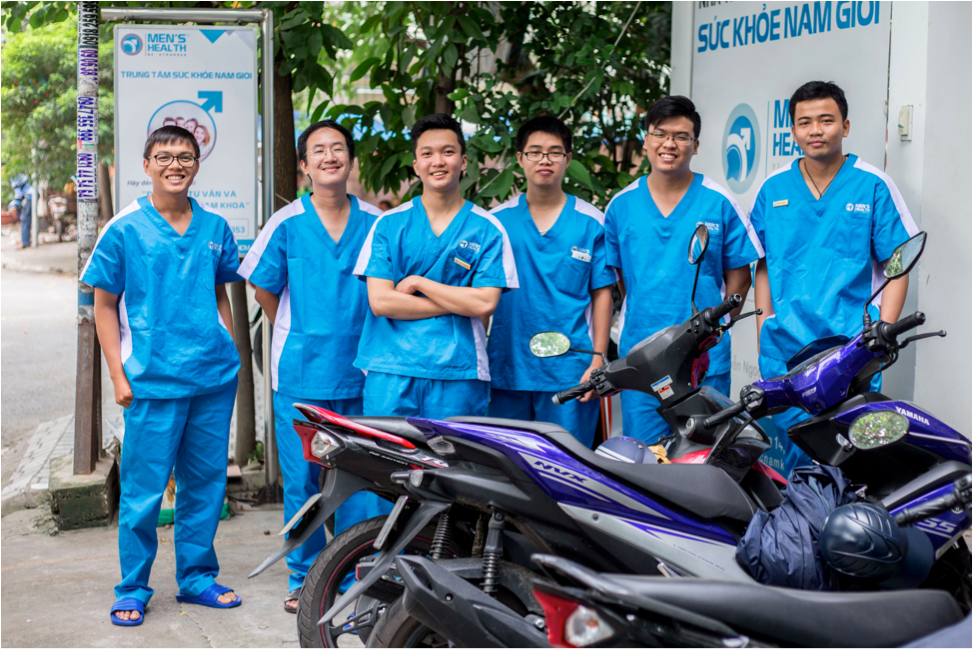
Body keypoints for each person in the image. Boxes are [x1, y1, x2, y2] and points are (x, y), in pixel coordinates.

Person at [82, 125, 242, 626]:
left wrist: (230, 344)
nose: (176, 164)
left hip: (212, 377)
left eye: (185, 156)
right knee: (144, 489)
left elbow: (219, 293)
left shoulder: (215, 227)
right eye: (164, 156)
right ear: (146, 165)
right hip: (151, 378)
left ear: (197, 164)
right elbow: (102, 306)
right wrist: (118, 376)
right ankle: (133, 586)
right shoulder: (124, 228)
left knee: (206, 484)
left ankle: (196, 578)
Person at [238, 120, 389, 614]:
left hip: (365, 371)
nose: (330, 157)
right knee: (303, 480)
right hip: (301, 372)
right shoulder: (285, 224)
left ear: (351, 160)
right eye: (318, 151)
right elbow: (264, 289)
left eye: (338, 149)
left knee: (364, 478)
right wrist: (296, 330)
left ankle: (357, 571)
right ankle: (305, 576)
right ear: (303, 166)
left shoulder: (377, 221)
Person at [750, 81, 917, 475]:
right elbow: (761, 265)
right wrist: (763, 325)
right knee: (797, 456)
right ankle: (798, 536)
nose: (815, 130)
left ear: (845, 125)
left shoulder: (872, 184)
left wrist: (884, 332)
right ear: (792, 131)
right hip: (786, 351)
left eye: (826, 120)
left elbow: (899, 264)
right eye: (804, 122)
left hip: (851, 351)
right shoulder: (772, 189)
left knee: (848, 462)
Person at [604, 96, 761, 445]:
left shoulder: (718, 202)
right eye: (660, 134)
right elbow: (622, 282)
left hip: (703, 358)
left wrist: (711, 333)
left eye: (682, 136)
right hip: (641, 360)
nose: (669, 144)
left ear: (696, 145)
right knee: (643, 459)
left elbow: (740, 279)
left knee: (702, 458)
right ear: (646, 139)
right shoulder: (621, 206)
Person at [354, 113, 518, 419]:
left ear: (464, 161)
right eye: (427, 154)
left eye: (448, 152)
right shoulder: (389, 224)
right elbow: (381, 301)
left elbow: (485, 303)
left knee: (454, 465)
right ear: (416, 165)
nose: (438, 161)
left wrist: (419, 283)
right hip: (391, 370)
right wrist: (458, 302)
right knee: (387, 464)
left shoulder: (487, 229)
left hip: (459, 372)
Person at [487, 116, 616, 446]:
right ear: (519, 159)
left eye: (555, 152)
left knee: (569, 470)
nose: (545, 159)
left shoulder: (591, 223)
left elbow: (602, 294)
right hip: (506, 367)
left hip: (571, 371)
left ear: (568, 160)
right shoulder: (496, 223)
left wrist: (598, 358)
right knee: (506, 471)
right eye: (535, 152)